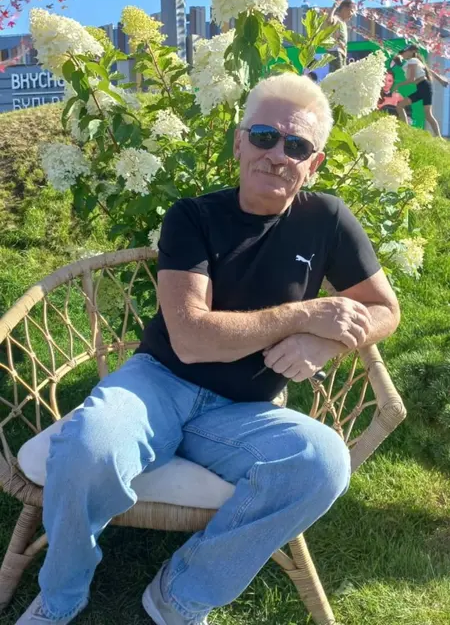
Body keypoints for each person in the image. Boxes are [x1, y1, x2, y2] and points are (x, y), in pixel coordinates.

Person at [17, 73, 400, 625]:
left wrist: (322, 345)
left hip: (244, 411)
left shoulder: (328, 220)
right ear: (239, 142)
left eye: (296, 146)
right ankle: (61, 596)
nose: (277, 155)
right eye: (265, 136)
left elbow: (385, 309)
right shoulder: (193, 217)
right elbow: (192, 339)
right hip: (160, 383)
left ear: (313, 164)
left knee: (324, 463)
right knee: (88, 448)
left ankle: (180, 594)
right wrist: (305, 315)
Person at [395, 44, 448, 138]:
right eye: (401, 53)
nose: (402, 54)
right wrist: (441, 80)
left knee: (401, 106)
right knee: (427, 114)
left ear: (411, 52)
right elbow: (429, 70)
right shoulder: (414, 61)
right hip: (423, 87)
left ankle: (438, 137)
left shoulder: (412, 61)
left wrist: (398, 85)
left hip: (423, 87)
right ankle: (438, 137)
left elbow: (411, 79)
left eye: (404, 52)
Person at [326, 0, 357, 72]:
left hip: (342, 53)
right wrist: (334, 7)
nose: (352, 14)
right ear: (344, 9)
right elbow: (329, 21)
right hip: (336, 51)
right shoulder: (337, 18)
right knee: (338, 74)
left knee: (342, 74)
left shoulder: (343, 23)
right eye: (351, 11)